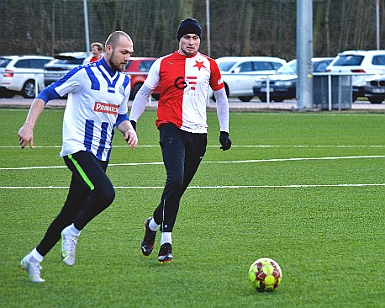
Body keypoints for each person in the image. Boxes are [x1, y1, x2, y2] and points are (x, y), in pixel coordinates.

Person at [18, 31, 138, 282]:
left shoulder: (124, 83)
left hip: (102, 152)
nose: (128, 57)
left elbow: (121, 115)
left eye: (130, 53)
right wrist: (28, 126)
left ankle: (33, 259)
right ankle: (72, 233)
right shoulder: (85, 74)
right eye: (124, 52)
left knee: (69, 210)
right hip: (77, 148)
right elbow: (45, 95)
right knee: (106, 193)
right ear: (108, 49)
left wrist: (128, 130)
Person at [129, 18, 231, 263]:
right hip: (170, 128)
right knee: (174, 180)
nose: (191, 42)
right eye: (187, 37)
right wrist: (132, 121)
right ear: (179, 39)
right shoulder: (163, 63)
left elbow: (221, 97)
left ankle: (152, 224)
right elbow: (144, 92)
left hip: (199, 134)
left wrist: (224, 130)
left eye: (195, 38)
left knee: (177, 190)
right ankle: (166, 241)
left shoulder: (209, 65)